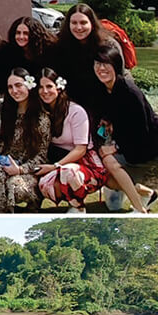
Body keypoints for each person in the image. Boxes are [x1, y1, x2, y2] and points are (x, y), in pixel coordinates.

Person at [93, 43, 158, 213]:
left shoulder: (129, 92)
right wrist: (107, 121)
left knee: (109, 161)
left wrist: (114, 148)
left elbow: (141, 131)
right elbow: (117, 113)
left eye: (105, 64)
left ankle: (139, 210)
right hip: (137, 145)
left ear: (116, 66)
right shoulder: (107, 89)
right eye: (97, 64)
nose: (101, 69)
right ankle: (149, 195)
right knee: (105, 174)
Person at [0, 68, 51, 213]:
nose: (14, 90)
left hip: (26, 171)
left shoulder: (41, 118)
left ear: (29, 85)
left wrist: (20, 170)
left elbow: (41, 156)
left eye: (18, 85)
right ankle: (3, 216)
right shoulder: (2, 106)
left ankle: (28, 204)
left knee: (11, 184)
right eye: (10, 87)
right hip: (0, 165)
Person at [34, 67, 108, 212]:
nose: (45, 91)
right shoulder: (41, 112)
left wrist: (55, 166)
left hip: (88, 164)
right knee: (45, 184)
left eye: (49, 86)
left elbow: (81, 149)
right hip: (61, 161)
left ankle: (78, 208)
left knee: (68, 172)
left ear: (59, 88)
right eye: (41, 87)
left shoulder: (75, 112)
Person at [53, 3, 112, 108]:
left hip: (101, 105)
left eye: (83, 22)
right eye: (74, 23)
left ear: (92, 23)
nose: (79, 27)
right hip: (69, 106)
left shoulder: (106, 45)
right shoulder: (59, 45)